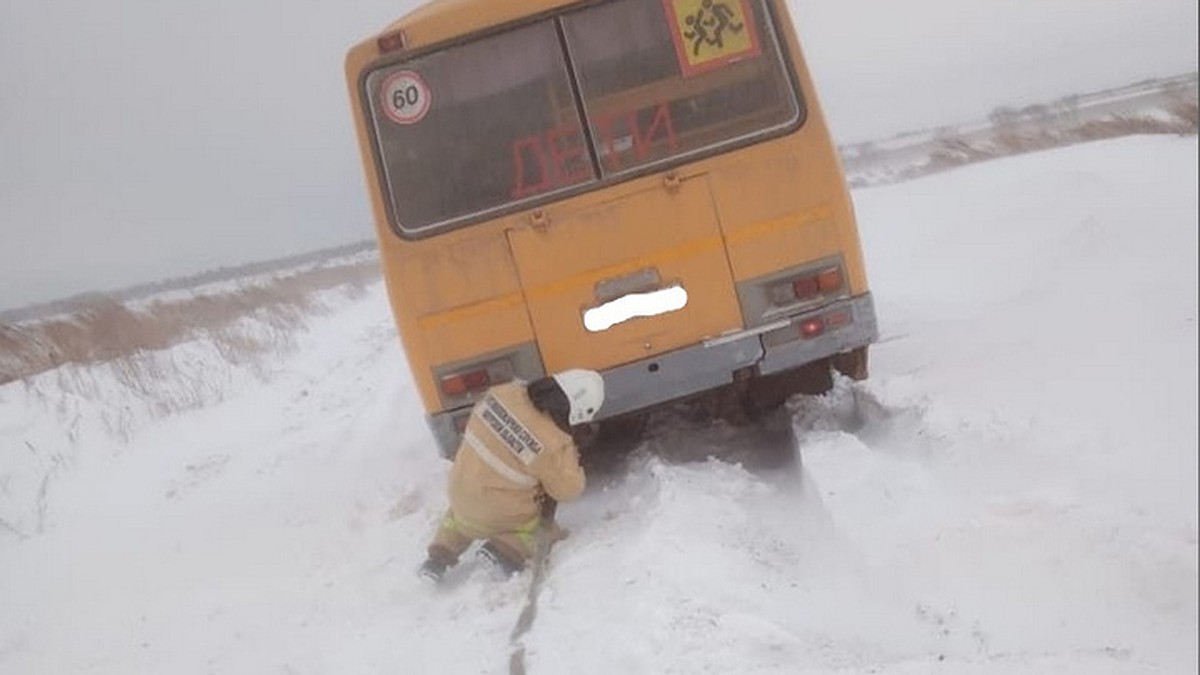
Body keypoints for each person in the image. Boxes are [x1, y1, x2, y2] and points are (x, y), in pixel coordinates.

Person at [419, 369, 605, 582]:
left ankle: (439, 556)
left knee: (460, 518)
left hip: (459, 492)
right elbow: (569, 490)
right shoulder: (554, 444)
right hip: (498, 513)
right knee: (546, 531)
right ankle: (505, 551)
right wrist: (573, 449)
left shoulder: (502, 393)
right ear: (579, 412)